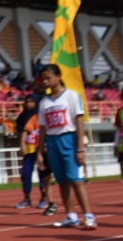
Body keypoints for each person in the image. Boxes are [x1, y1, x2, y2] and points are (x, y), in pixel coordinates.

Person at [36, 64, 97, 229]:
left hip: (69, 140)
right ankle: (71, 216)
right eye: (43, 79)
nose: (45, 82)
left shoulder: (71, 96)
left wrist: (80, 148)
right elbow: (42, 129)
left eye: (48, 78)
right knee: (62, 181)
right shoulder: (44, 102)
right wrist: (40, 152)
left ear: (59, 76)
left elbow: (79, 122)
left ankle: (89, 216)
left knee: (77, 180)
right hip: (52, 142)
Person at [15, 96, 55, 212]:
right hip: (30, 149)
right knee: (26, 173)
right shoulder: (24, 116)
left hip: (41, 149)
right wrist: (22, 144)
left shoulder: (41, 115)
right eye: (26, 102)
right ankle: (27, 198)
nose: (28, 104)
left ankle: (44, 197)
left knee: (43, 174)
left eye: (31, 102)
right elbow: (23, 131)